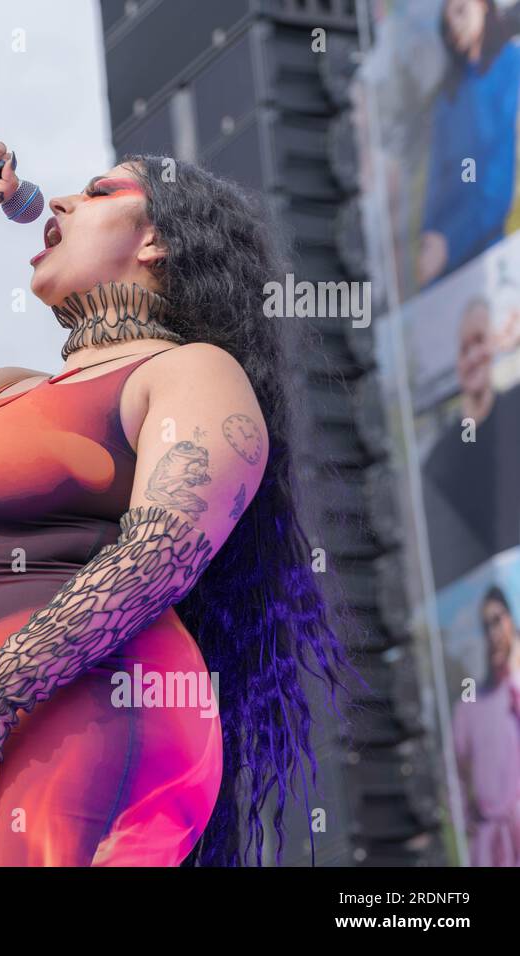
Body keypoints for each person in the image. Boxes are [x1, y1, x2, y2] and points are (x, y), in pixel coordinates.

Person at [0, 131, 357, 866]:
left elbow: (160, 553)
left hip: (87, 717)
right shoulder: (5, 395)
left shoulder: (192, 371)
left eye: (100, 193)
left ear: (158, 241)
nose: (61, 200)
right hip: (3, 738)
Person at [418, 0, 520, 288]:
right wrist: (431, 235)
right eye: (448, 21)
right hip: (443, 263)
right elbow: (438, 179)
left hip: (486, 251)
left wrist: (449, 240)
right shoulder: (448, 95)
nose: (456, 25)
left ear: (484, 6)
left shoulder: (510, 65)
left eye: (461, 10)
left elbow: (499, 175)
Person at [422, 296, 520, 586]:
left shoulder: (515, 405)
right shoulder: (442, 458)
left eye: (481, 341)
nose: (474, 355)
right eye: (465, 348)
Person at [451, 586, 520, 865]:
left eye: (497, 620)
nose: (493, 634)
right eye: (485, 626)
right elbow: (452, 773)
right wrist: (466, 820)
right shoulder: (470, 706)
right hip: (490, 844)